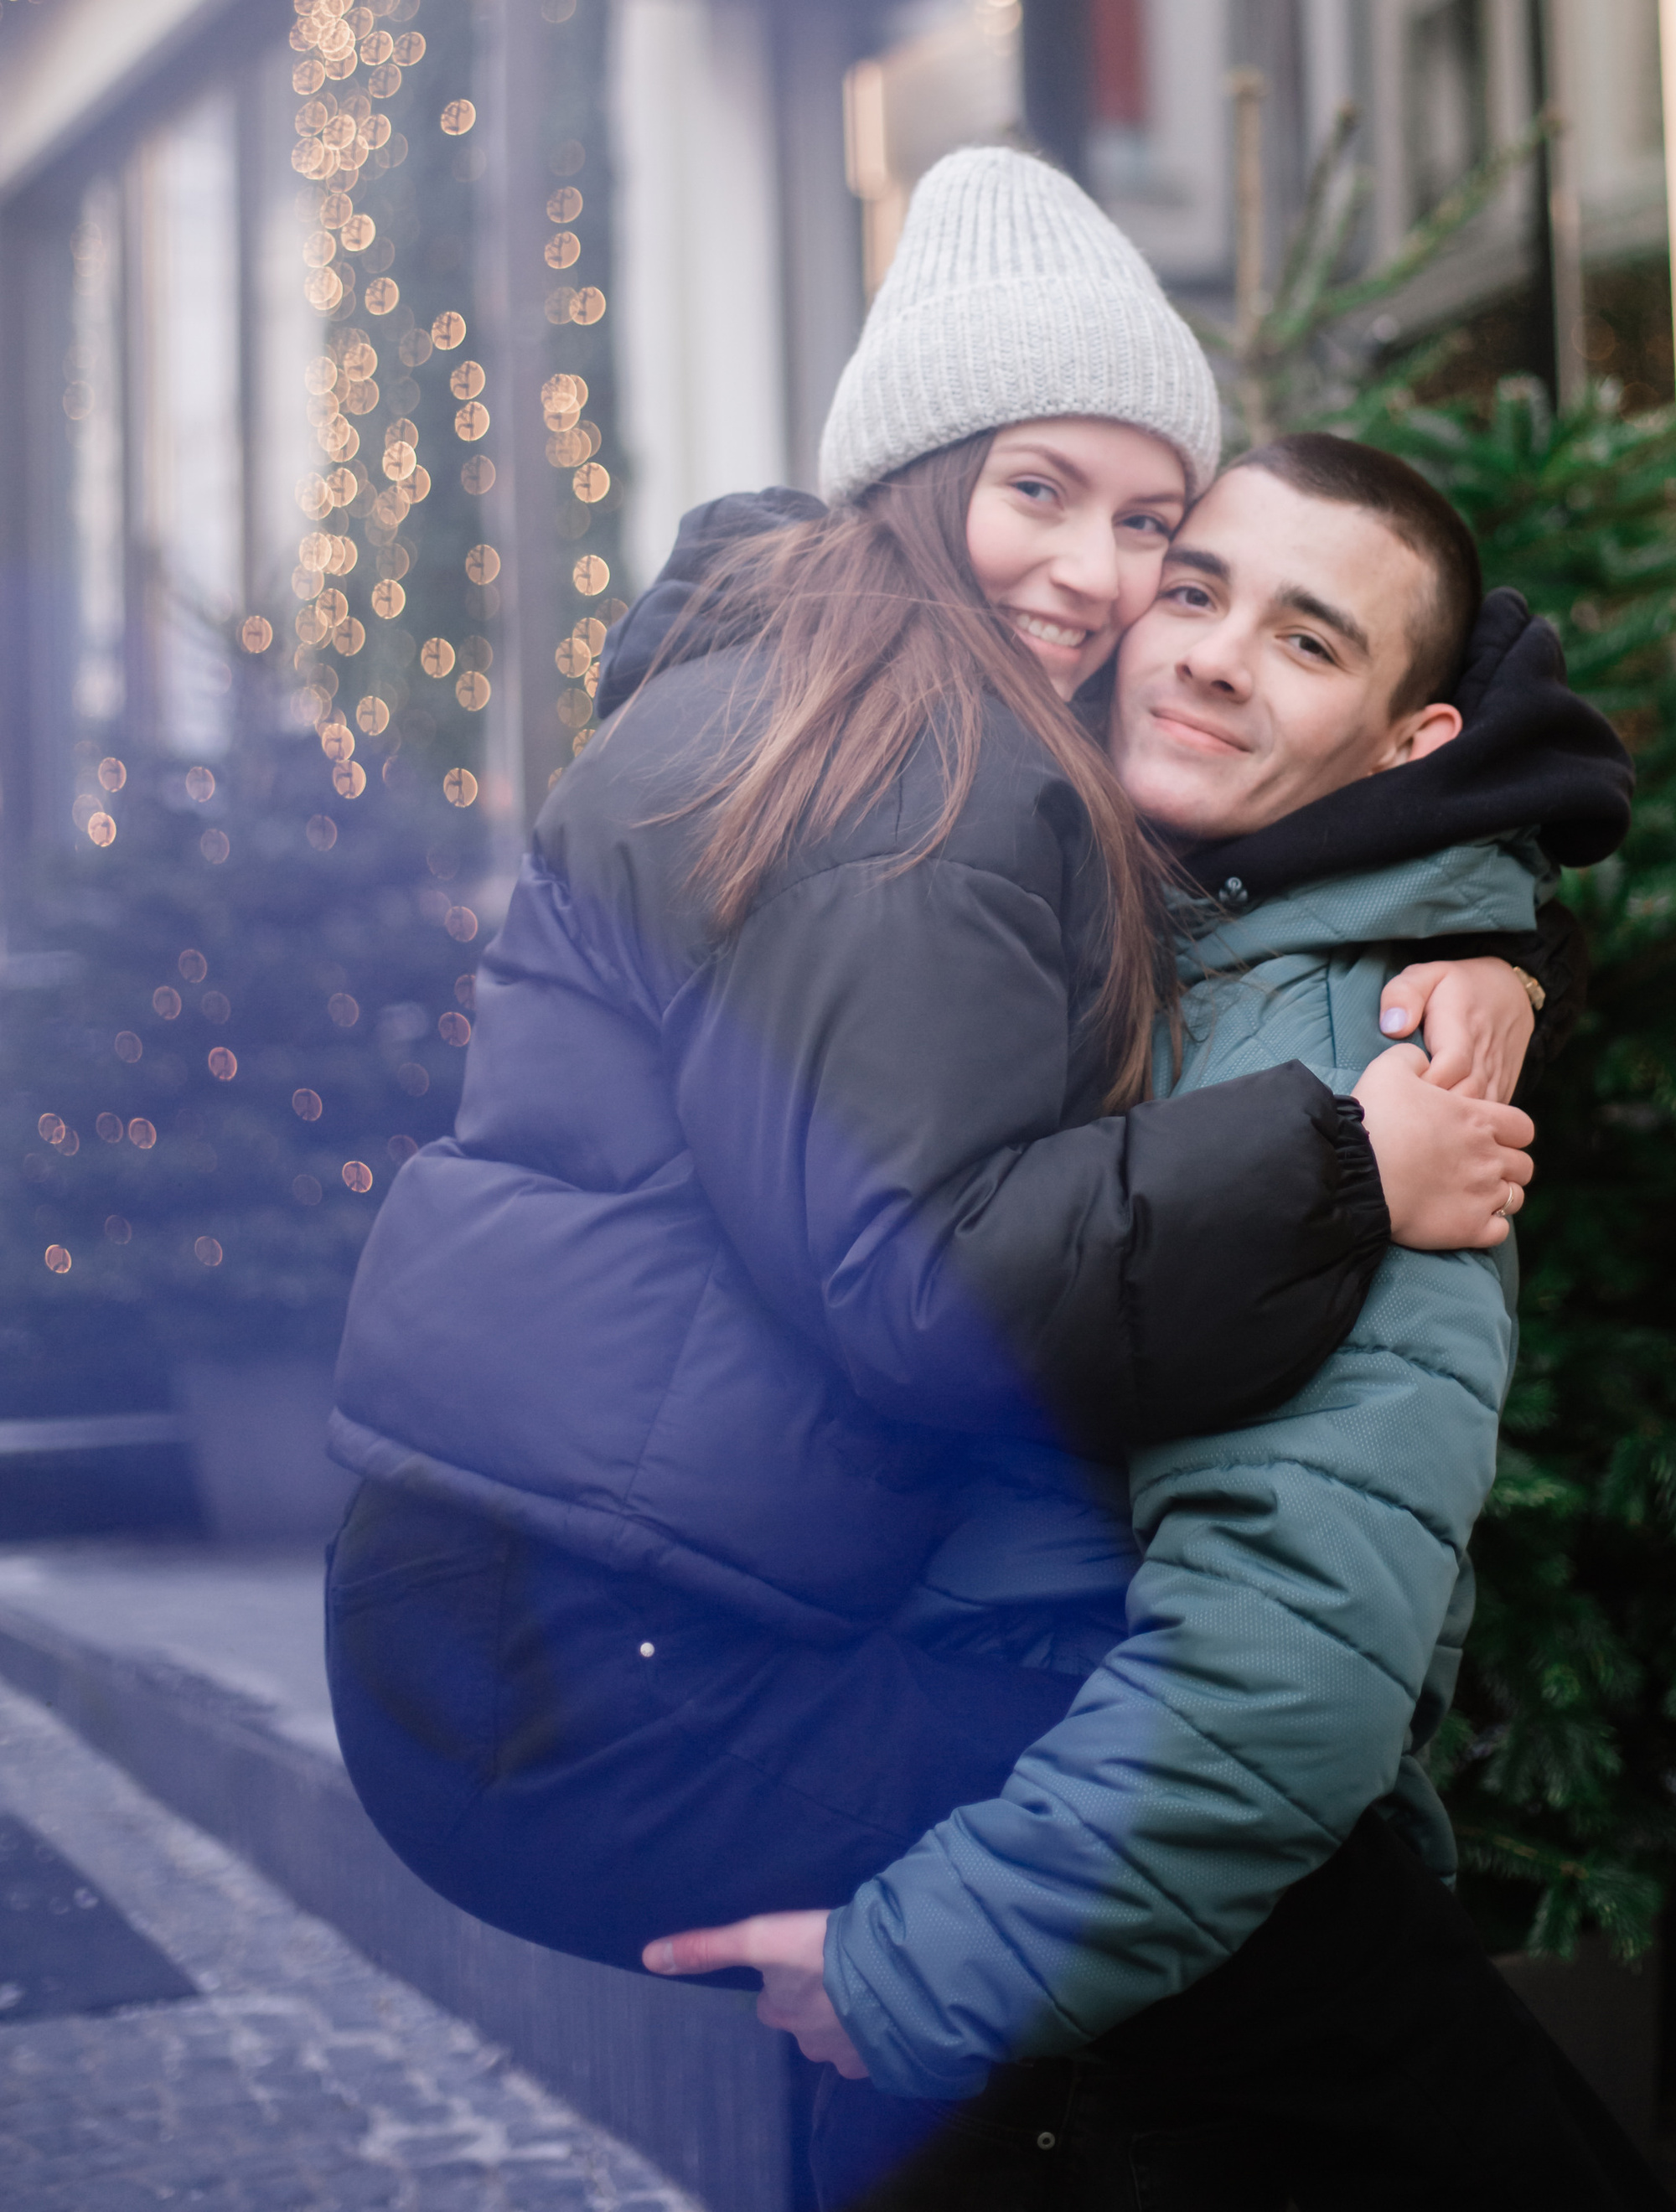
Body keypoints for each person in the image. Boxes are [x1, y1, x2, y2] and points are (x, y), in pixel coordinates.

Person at [324, 152, 1540, 2066]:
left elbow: (1357, 780)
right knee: (1267, 1826)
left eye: (1151, 520)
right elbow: (919, 1287)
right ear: (915, 473)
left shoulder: (838, 686)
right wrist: (1345, 1155)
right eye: (1035, 491)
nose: (1100, 577)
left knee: (1219, 1838)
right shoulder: (911, 759)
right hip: (582, 1660)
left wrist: (1481, 919)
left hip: (527, 1607)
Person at [639, 433, 1663, 2212]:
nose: (1204, 651)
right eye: (1192, 588)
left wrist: (923, 1967)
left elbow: (1283, 1667)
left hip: (1133, 2035)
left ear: (1411, 743)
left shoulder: (1377, 1066)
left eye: (1306, 641)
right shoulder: (1081, 909)